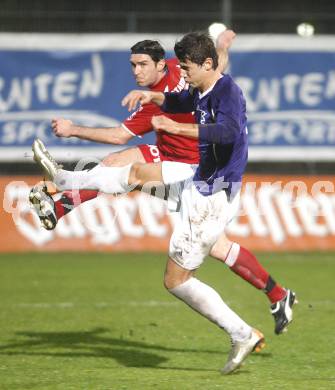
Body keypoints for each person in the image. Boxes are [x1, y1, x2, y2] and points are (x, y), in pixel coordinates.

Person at [31, 32, 296, 373]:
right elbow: (183, 100)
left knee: (176, 281)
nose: (182, 75)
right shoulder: (203, 85)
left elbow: (227, 132)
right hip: (198, 180)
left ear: (204, 65)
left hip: (210, 196)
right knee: (135, 172)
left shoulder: (226, 92)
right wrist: (154, 98)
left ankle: (241, 332)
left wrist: (174, 127)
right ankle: (66, 182)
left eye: (186, 69)